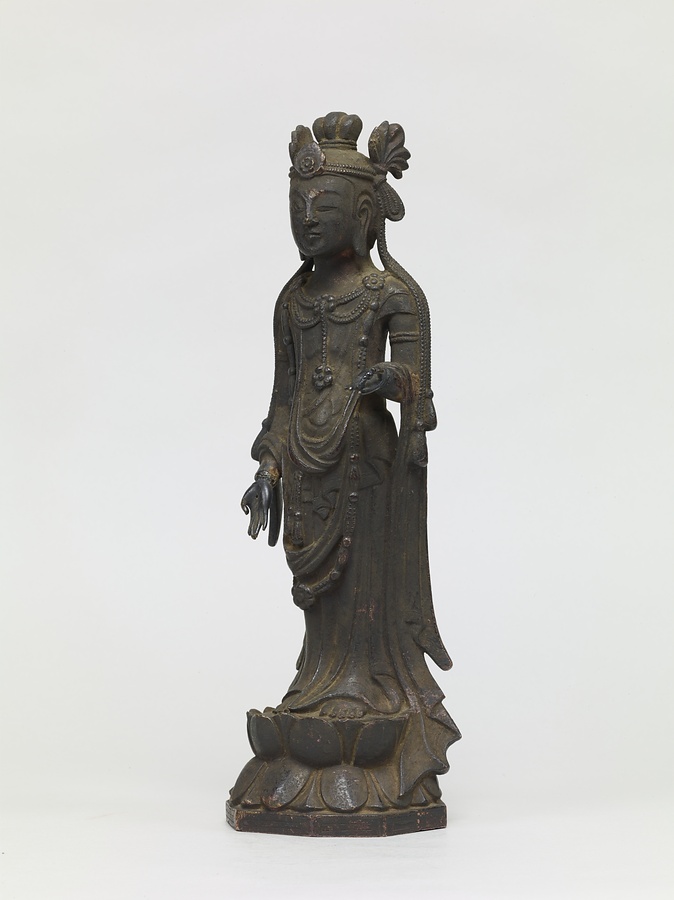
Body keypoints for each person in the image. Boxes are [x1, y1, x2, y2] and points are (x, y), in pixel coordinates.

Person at [235, 112, 460, 824]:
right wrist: (268, 466)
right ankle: (316, 694)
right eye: (297, 205)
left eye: (323, 205)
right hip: (308, 471)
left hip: (367, 471)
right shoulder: (292, 302)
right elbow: (283, 399)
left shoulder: (392, 296)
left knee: (364, 599)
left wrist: (394, 381)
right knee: (321, 614)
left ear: (364, 214)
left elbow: (421, 396)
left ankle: (368, 695)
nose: (307, 219)